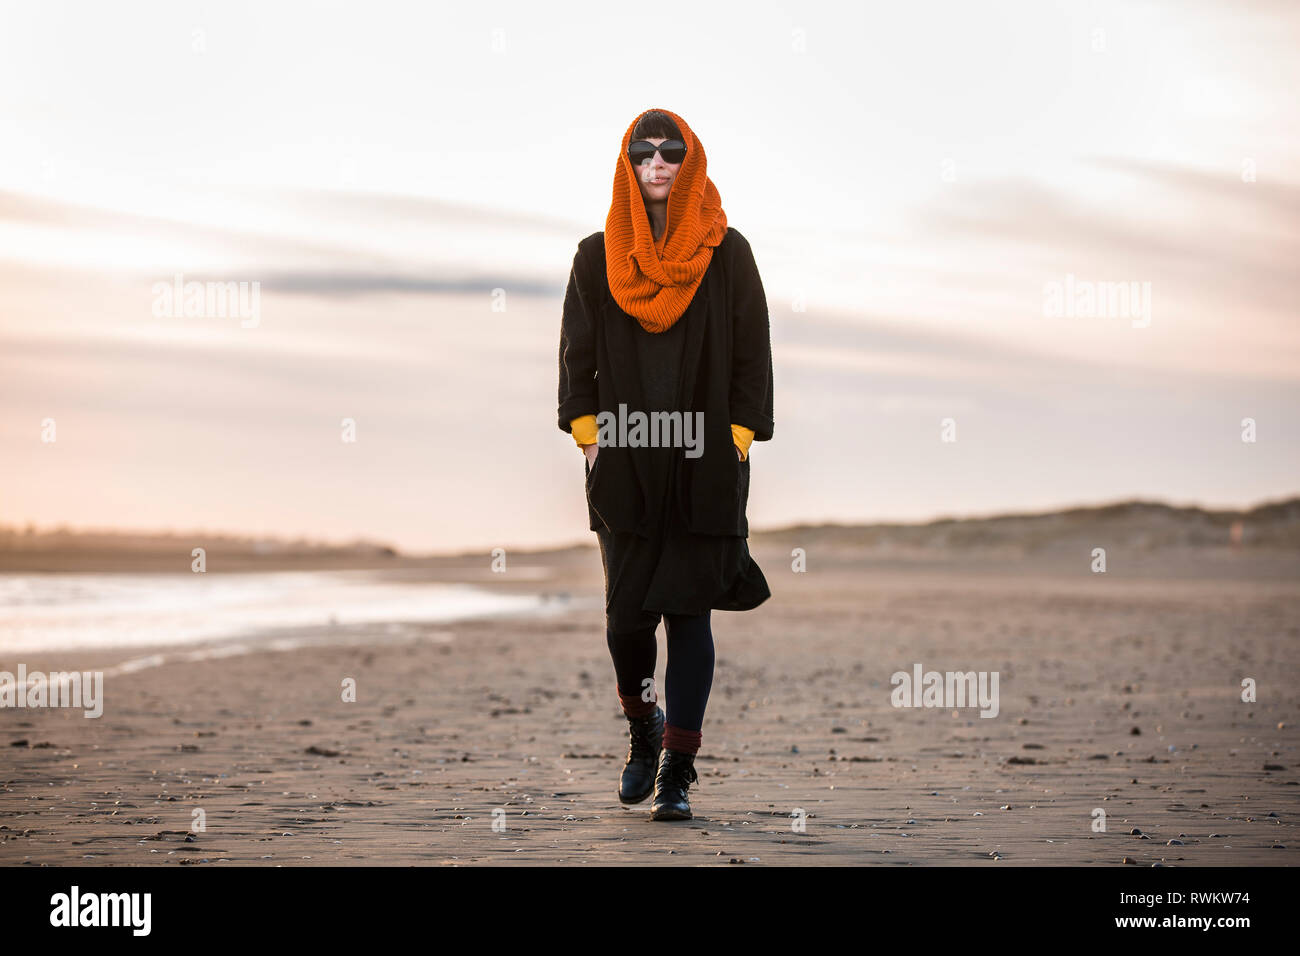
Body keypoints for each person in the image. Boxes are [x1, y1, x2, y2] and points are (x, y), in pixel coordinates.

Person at [557, 107, 774, 821]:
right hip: (623, 460)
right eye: (643, 151)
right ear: (627, 164)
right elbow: (576, 360)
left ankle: (678, 769)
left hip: (704, 459)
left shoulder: (727, 252)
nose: (657, 162)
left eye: (671, 152)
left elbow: (751, 355)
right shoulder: (597, 258)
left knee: (688, 615)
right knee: (626, 623)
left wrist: (737, 439)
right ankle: (642, 728)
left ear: (690, 163)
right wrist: (591, 442)